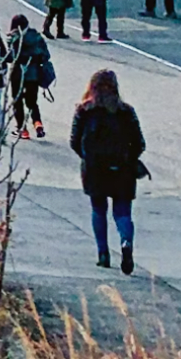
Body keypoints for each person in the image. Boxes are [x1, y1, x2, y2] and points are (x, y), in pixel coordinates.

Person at [69, 69, 148, 274]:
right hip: (122, 168)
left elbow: (74, 141)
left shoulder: (84, 111)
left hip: (95, 169)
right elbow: (139, 143)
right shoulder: (126, 111)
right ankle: (125, 242)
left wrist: (88, 158)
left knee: (98, 210)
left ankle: (103, 253)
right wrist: (128, 158)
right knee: (122, 212)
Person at [8, 13, 52, 140]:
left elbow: (11, 57)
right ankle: (37, 122)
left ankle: (22, 129)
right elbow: (46, 55)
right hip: (33, 74)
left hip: (17, 74)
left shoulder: (13, 38)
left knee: (17, 101)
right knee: (32, 101)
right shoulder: (37, 37)